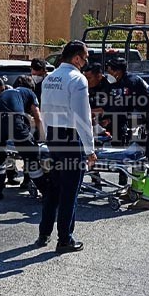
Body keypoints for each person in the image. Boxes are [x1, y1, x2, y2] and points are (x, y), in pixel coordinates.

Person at [37, 40, 97, 254]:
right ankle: (65, 239)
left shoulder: (49, 78)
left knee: (53, 187)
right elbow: (83, 117)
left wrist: (47, 137)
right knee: (70, 191)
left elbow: (44, 109)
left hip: (53, 136)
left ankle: (44, 232)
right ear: (77, 58)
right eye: (86, 57)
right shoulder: (77, 80)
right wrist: (90, 150)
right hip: (71, 139)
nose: (86, 62)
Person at [105, 55, 149, 210]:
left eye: (109, 71)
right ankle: (137, 190)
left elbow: (120, 107)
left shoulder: (130, 82)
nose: (108, 75)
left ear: (117, 71)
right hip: (142, 122)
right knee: (137, 155)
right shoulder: (124, 82)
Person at [0, 75, 45, 202]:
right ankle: (45, 191)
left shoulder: (7, 92)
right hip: (14, 120)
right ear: (30, 87)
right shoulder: (29, 93)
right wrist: (42, 138)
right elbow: (37, 117)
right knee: (32, 155)